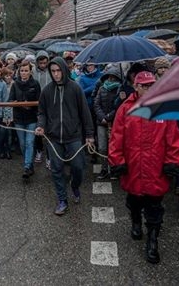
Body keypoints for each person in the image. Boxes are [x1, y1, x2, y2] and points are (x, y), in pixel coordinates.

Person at [109, 71, 179, 264]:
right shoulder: (125, 109)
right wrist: (117, 161)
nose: (149, 89)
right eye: (144, 86)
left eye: (152, 85)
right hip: (133, 168)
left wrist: (173, 161)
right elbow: (116, 138)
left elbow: (173, 138)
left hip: (155, 169)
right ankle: (135, 221)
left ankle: (152, 242)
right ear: (136, 87)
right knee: (134, 201)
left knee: (155, 207)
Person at [35, 57, 94, 215]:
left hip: (74, 136)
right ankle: (62, 199)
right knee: (56, 169)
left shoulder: (75, 88)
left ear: (64, 70)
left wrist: (89, 134)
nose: (56, 74)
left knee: (78, 167)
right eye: (53, 71)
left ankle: (74, 186)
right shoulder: (47, 91)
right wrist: (40, 126)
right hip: (53, 137)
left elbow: (85, 113)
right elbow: (42, 113)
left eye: (58, 70)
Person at [9, 60, 41, 179]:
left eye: (26, 70)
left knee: (29, 142)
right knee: (22, 144)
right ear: (19, 71)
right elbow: (10, 99)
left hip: (31, 117)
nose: (24, 73)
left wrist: (32, 106)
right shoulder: (15, 84)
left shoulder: (35, 84)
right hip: (18, 118)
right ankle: (30, 164)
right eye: (22, 71)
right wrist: (18, 103)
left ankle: (27, 166)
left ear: (30, 71)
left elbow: (39, 100)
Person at [93, 66, 122, 179]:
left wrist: (109, 116)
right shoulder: (102, 88)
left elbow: (120, 106)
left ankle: (113, 168)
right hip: (101, 122)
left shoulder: (120, 90)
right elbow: (96, 104)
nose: (111, 79)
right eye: (109, 77)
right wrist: (102, 117)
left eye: (113, 77)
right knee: (102, 147)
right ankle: (104, 168)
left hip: (114, 122)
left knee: (113, 147)